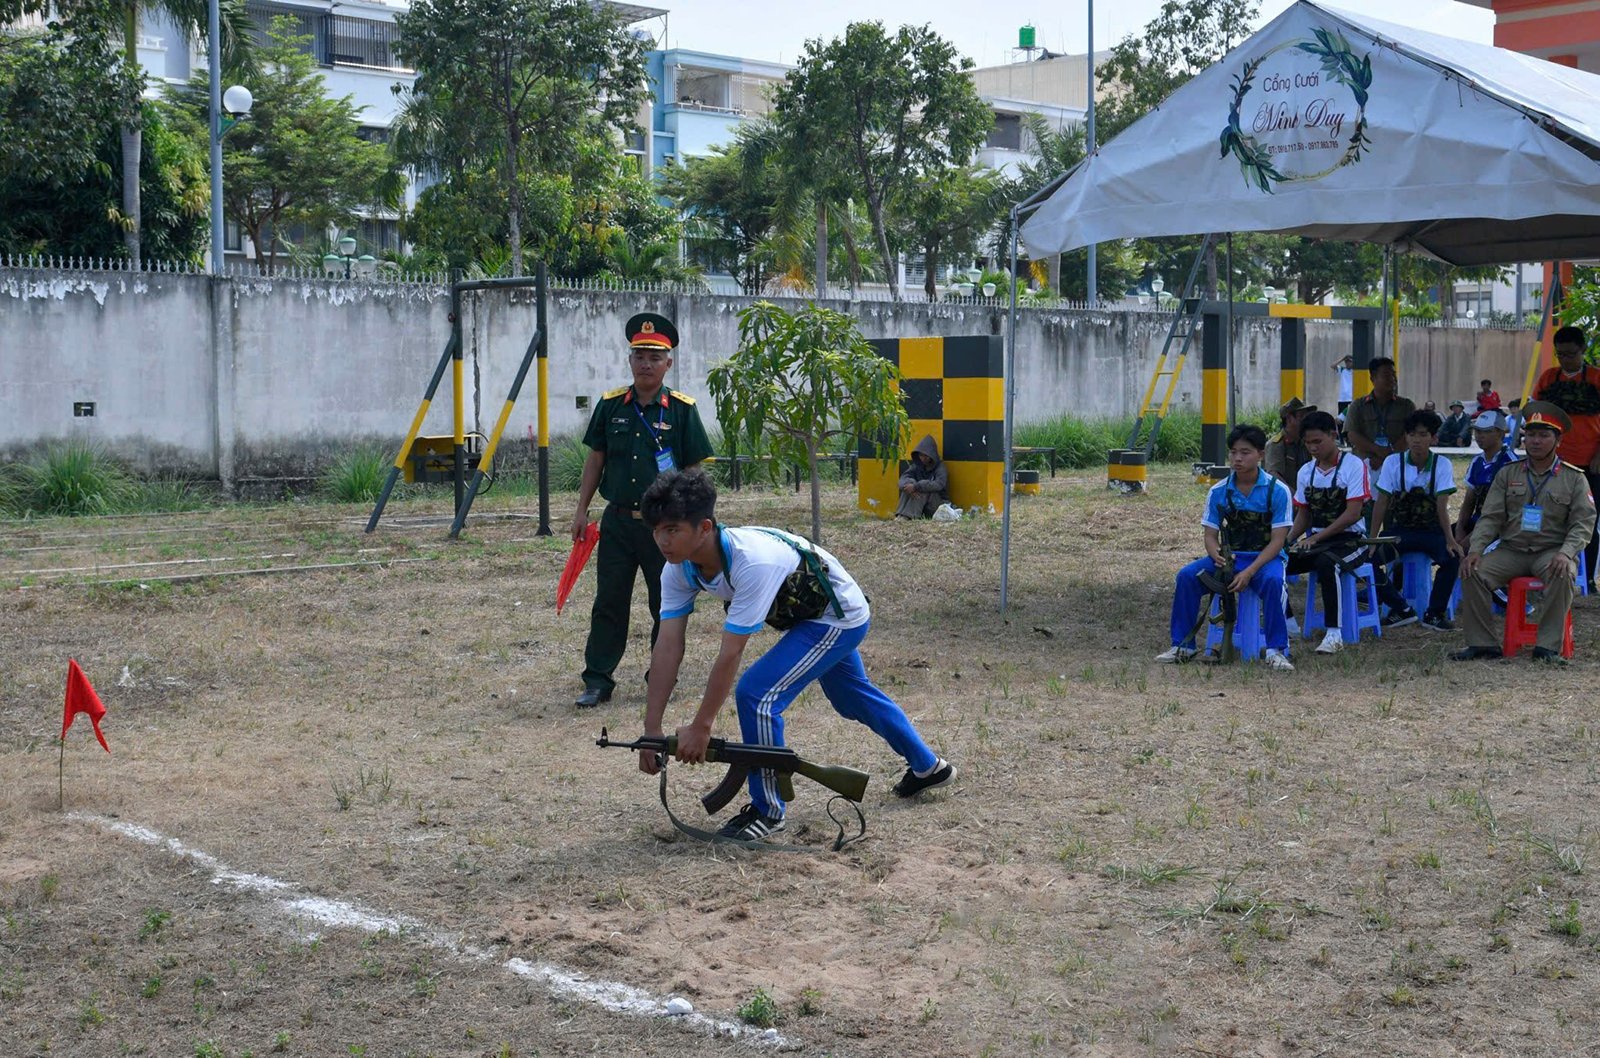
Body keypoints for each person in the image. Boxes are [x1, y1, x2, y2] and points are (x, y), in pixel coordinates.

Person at [635, 469, 956, 840]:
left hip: (838, 616)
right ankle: (929, 768)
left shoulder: (751, 561)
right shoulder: (678, 569)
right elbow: (668, 647)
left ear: (704, 527)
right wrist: (651, 731)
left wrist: (702, 726)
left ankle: (768, 811)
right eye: (656, 530)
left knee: (757, 694)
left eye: (672, 529)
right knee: (851, 698)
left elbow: (730, 654)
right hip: (807, 617)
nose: (662, 540)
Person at [570, 313, 714, 708]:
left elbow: (692, 472)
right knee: (609, 602)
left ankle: (659, 675)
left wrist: (694, 526)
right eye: (640, 356)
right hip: (617, 522)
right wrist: (581, 510)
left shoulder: (682, 410)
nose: (646, 363)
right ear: (630, 361)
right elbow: (596, 459)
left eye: (655, 356)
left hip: (664, 528)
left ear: (669, 363)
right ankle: (598, 679)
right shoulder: (610, 405)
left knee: (665, 602)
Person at [1454, 402, 1597, 663]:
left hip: (1551, 551)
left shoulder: (1574, 478)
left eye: (1544, 435)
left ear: (1558, 440)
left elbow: (1584, 522)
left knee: (1563, 574)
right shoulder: (1508, 474)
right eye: (1531, 435)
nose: (1535, 441)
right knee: (1471, 571)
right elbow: (1491, 517)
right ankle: (1483, 644)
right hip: (1512, 550)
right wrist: (1475, 549)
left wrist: (1566, 554)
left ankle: (1547, 648)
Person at [1156, 425, 1294, 670]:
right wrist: (1215, 556)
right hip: (1230, 558)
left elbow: (1278, 541)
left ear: (1261, 454)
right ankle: (1183, 646)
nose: (1237, 458)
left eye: (1245, 452)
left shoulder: (1278, 491)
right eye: (1233, 452)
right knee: (1187, 576)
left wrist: (1250, 571)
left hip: (1266, 560)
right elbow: (1210, 535)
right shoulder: (1218, 491)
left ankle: (1276, 650)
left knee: (1274, 583)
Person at [1283, 411, 1411, 653]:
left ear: (1333, 436)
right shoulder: (1305, 472)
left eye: (1317, 441)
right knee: (1276, 562)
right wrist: (1286, 541)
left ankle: (1334, 633)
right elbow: (1304, 515)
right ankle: (1289, 624)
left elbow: (1352, 514)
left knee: (1327, 563)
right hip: (1317, 540)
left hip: (1351, 542)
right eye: (1308, 443)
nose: (1312, 448)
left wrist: (1315, 537)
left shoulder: (1353, 466)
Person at [1370, 409, 1463, 631]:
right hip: (1399, 531)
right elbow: (1381, 502)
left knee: (1452, 558)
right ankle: (1400, 608)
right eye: (1411, 434)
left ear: (1433, 438)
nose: (1416, 440)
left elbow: (1441, 506)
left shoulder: (1442, 464)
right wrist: (1372, 539)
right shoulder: (1393, 462)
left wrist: (1450, 539)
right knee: (1365, 559)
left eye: (1422, 435)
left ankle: (1434, 613)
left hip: (1432, 532)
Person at [1533, 325, 1600, 592]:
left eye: (1571, 354)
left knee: (1589, 521)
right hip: (1555, 464)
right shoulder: (1548, 379)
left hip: (1591, 464)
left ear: (1583, 350)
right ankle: (1553, 574)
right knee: (1550, 518)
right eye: (1560, 355)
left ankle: (1589, 580)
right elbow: (1536, 416)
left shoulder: (1596, 378)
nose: (1566, 360)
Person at [1453, 409, 1519, 545]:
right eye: (1477, 431)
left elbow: (1506, 511)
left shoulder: (1511, 463)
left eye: (1487, 431)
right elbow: (1468, 501)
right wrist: (1459, 529)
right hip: (1476, 523)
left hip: (1499, 528)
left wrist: (1468, 540)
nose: (1480, 436)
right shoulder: (1477, 461)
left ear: (1500, 433)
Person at [1343, 357, 1416, 474]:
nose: (1392, 379)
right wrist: (1377, 450)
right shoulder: (1358, 406)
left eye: (1394, 374)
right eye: (1386, 375)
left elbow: (1410, 434)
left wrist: (1387, 456)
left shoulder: (1406, 406)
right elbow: (1352, 435)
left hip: (1398, 467)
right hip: (1366, 467)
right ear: (1373, 379)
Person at [1264, 397, 1315, 486]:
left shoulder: (1304, 442)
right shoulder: (1276, 445)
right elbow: (1274, 477)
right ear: (1289, 419)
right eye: (1301, 417)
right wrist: (1293, 496)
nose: (1305, 421)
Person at [895, 435, 949, 518]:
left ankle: (908, 517)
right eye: (921, 455)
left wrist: (917, 486)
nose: (923, 458)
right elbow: (903, 478)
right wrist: (909, 486)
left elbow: (939, 485)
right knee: (908, 487)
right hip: (921, 505)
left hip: (938, 505)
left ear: (932, 455)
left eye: (926, 456)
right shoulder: (917, 466)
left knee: (923, 490)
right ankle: (900, 515)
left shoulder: (940, 467)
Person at [1332, 355, 1355, 421]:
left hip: (1351, 398)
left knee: (1350, 418)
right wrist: (1342, 358)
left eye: (1350, 362)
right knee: (1340, 419)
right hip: (1342, 399)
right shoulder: (1342, 370)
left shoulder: (1355, 371)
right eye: (1346, 362)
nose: (1348, 363)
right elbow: (1333, 365)